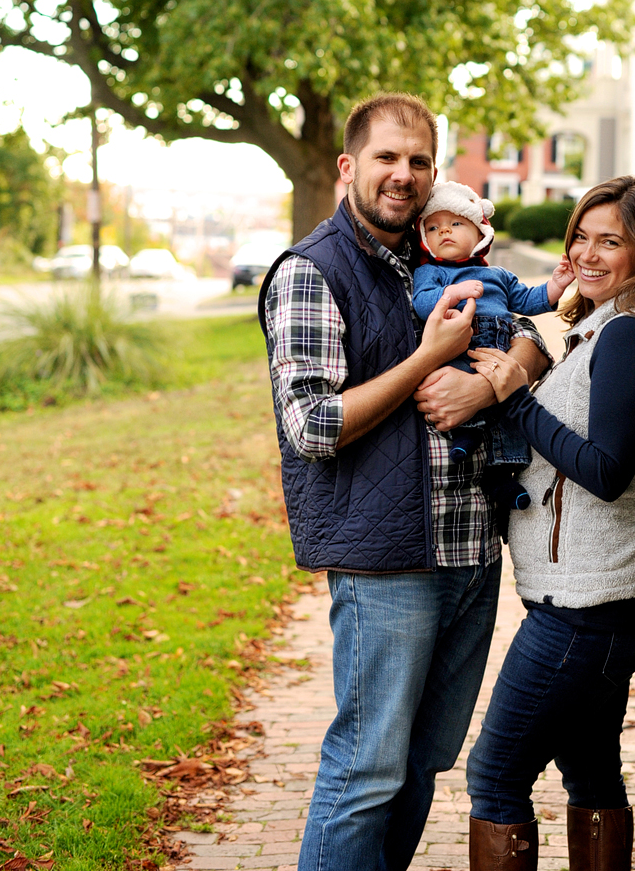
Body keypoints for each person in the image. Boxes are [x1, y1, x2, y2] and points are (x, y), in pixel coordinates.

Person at [257, 92, 550, 871]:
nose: (404, 174)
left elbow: (530, 342)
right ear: (350, 166)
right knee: (366, 770)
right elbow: (312, 426)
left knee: (422, 763)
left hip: (468, 554)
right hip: (385, 563)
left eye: (419, 160)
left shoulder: (442, 255)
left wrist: (491, 384)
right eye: (387, 157)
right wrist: (426, 361)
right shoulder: (312, 271)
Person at [458, 175, 635, 871]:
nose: (589, 253)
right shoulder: (604, 329)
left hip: (587, 613)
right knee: (591, 772)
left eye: (611, 240)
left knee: (497, 774)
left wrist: (515, 396)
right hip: (602, 602)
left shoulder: (629, 335)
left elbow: (604, 469)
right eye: (582, 236)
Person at [413, 180, 574, 513]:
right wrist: (453, 295)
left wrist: (556, 285)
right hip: (460, 351)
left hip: (498, 353)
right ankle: (466, 435)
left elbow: (528, 301)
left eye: (455, 223)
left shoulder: (499, 275)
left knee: (509, 414)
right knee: (456, 389)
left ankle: (502, 476)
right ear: (425, 239)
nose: (444, 231)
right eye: (434, 227)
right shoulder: (430, 273)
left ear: (480, 232)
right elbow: (422, 304)